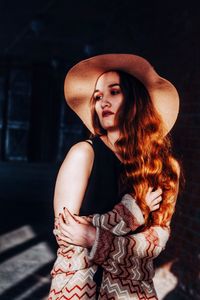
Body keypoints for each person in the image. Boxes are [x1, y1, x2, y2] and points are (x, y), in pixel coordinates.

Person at [48, 54, 180, 299]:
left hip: (133, 292)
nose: (102, 102)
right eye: (97, 97)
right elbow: (68, 237)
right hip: (79, 290)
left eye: (114, 92)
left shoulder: (162, 166)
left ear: (136, 101)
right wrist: (132, 214)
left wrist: (93, 238)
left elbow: (154, 245)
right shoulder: (83, 154)